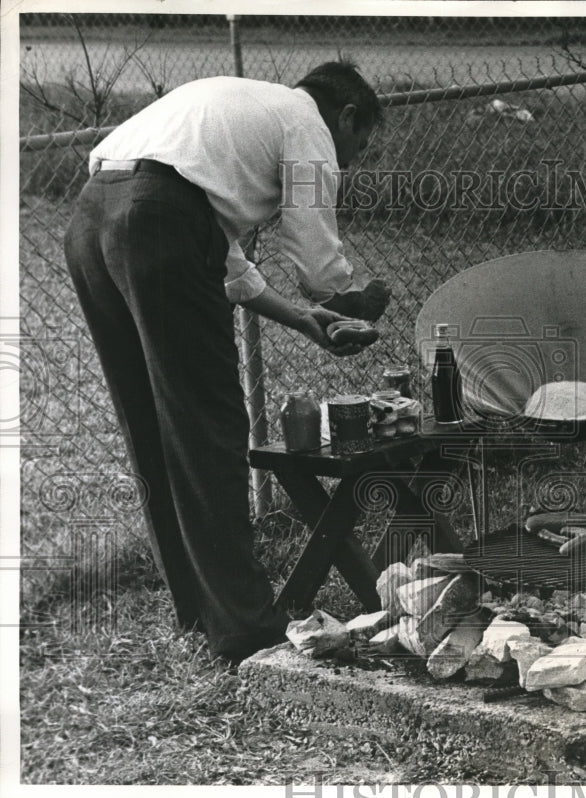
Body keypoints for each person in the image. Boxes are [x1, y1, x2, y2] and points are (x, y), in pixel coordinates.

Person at [63, 61, 390, 663]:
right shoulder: (306, 121)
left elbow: (218, 253)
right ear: (345, 116)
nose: (351, 162)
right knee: (208, 425)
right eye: (358, 146)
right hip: (157, 220)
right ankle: (245, 629)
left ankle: (198, 608)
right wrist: (349, 299)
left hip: (92, 217)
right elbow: (315, 252)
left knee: (151, 421)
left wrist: (300, 318)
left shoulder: (238, 109)